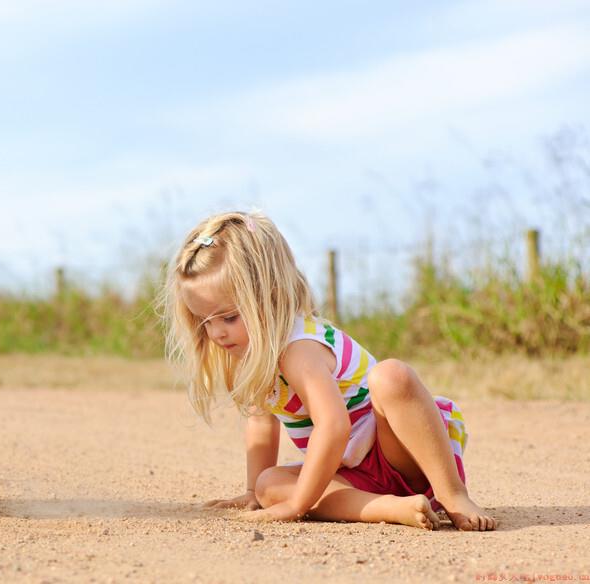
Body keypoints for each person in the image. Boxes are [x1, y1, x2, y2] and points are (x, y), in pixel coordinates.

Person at [160, 210, 496, 531]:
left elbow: (334, 426)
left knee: (391, 376)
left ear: (268, 297)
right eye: (205, 321)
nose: (217, 332)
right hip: (355, 472)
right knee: (269, 485)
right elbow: (261, 422)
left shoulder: (298, 348)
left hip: (401, 450)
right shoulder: (251, 353)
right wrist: (254, 493)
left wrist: (297, 506)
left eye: (229, 317)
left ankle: (452, 494)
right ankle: (389, 507)